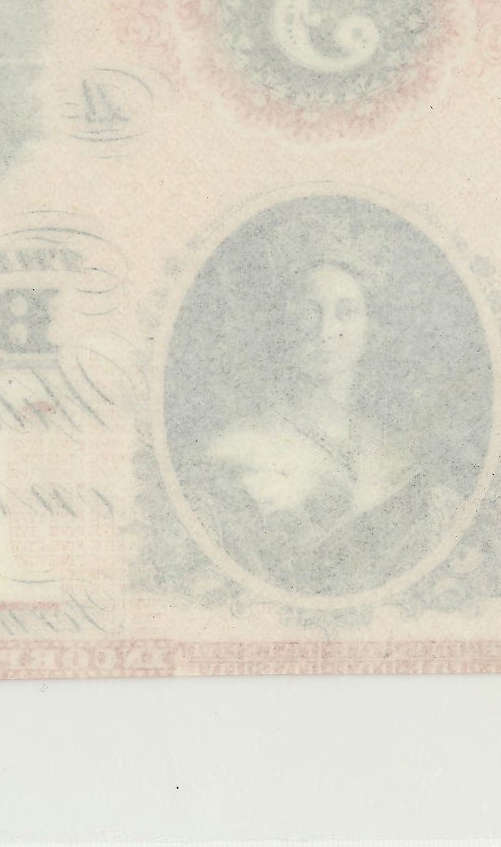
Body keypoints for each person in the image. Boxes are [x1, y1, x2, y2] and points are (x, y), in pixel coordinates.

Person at [184, 252, 466, 597]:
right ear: (282, 327)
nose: (327, 331)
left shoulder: (393, 449)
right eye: (309, 313)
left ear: (370, 328)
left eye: (346, 312)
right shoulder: (235, 446)